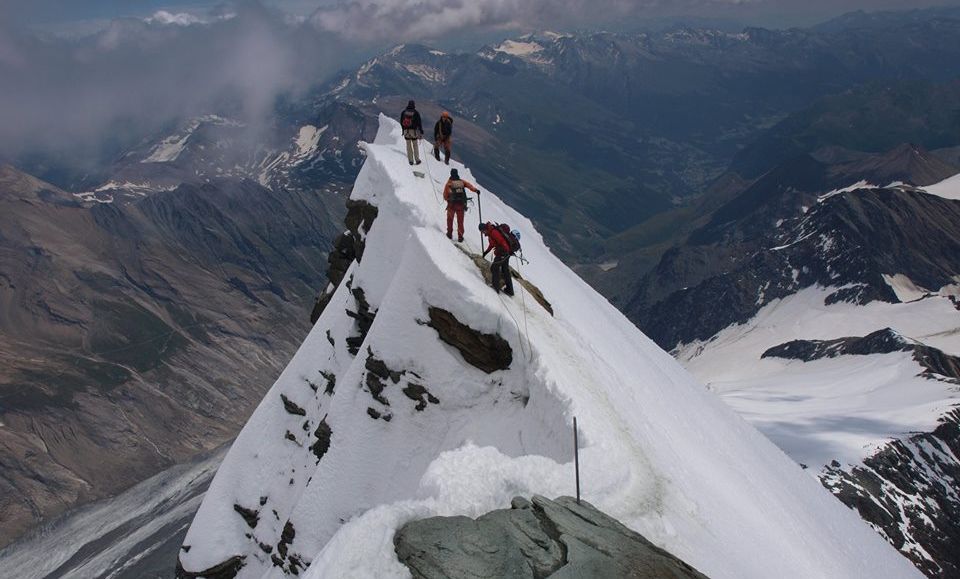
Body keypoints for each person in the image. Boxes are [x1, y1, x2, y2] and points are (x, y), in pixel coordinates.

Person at [443, 169, 478, 242]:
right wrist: (475, 190)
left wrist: (448, 199)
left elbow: (445, 196)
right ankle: (460, 237)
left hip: (451, 206)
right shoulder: (461, 182)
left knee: (450, 220)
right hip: (461, 205)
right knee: (460, 222)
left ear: (451, 174)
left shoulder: (449, 183)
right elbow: (469, 185)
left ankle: (449, 234)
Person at [480, 222, 514, 296]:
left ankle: (495, 287)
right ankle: (510, 290)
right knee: (505, 270)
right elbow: (492, 244)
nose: (483, 233)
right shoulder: (490, 233)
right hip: (505, 252)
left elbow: (502, 242)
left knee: (494, 267)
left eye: (482, 231)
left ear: (484, 229)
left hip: (503, 252)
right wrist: (486, 252)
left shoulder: (493, 232)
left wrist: (504, 252)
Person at [399, 100, 423, 165]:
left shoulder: (404, 112)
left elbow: (401, 122)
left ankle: (411, 160)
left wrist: (403, 130)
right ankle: (417, 160)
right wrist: (421, 130)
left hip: (406, 131)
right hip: (413, 132)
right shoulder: (416, 113)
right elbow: (419, 123)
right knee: (415, 145)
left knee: (408, 146)